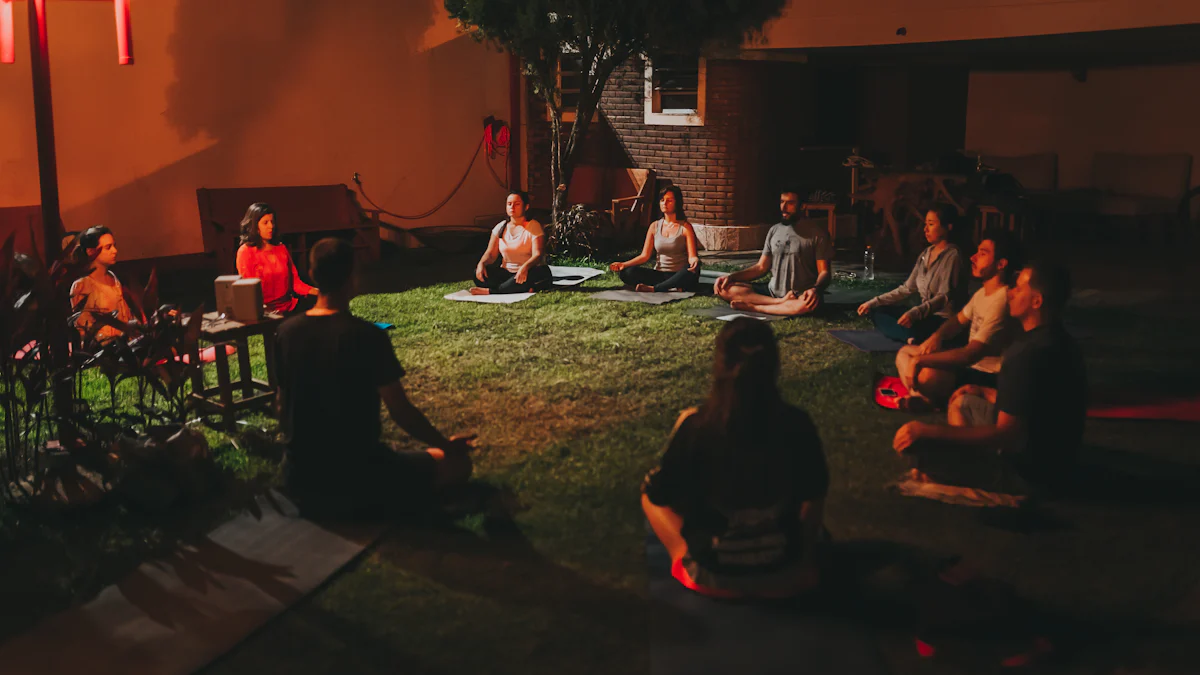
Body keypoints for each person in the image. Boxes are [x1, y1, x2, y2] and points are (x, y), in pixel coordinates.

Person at [275, 237, 475, 518]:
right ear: (353, 277)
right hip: (358, 476)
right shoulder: (367, 336)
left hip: (299, 476)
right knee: (457, 464)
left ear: (312, 275)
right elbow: (401, 411)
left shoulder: (286, 333)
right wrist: (446, 445)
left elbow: (282, 406)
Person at [642, 318, 829, 598]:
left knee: (647, 495)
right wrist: (802, 560)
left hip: (713, 575)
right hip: (784, 571)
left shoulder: (697, 426)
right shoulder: (796, 423)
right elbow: (815, 493)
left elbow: (660, 493)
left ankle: (687, 558)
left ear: (720, 365)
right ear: (774, 366)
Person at [893, 260, 1087, 493]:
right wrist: (987, 392)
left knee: (920, 449)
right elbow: (1042, 406)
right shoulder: (1061, 341)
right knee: (964, 402)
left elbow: (1007, 435)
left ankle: (975, 472)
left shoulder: (1025, 354)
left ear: (1037, 301)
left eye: (1018, 289)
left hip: (1031, 471)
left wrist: (927, 431)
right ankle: (964, 463)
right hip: (1062, 457)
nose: (1011, 294)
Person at [894, 230, 1021, 409]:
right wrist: (937, 336)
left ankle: (928, 399)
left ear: (1001, 264)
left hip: (986, 375)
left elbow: (970, 354)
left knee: (925, 373)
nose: (973, 258)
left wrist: (921, 360)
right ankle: (921, 399)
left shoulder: (1002, 300)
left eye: (982, 254)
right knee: (905, 353)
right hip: (969, 368)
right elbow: (957, 321)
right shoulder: (981, 294)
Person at [713, 189, 832, 316]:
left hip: (800, 295)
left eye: (790, 203)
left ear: (802, 206)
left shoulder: (818, 234)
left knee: (806, 304)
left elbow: (824, 272)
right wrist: (731, 277)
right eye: (782, 202)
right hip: (772, 292)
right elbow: (761, 267)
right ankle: (780, 303)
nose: (783, 207)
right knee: (725, 289)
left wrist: (815, 290)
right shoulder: (774, 230)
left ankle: (756, 308)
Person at [858, 205, 967, 344]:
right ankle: (910, 336)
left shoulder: (953, 256)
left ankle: (910, 335)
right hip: (922, 315)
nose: (925, 229)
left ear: (948, 227)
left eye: (931, 224)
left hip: (942, 319)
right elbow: (906, 288)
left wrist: (915, 313)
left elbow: (944, 297)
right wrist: (874, 301)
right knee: (877, 310)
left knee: (913, 323)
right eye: (925, 224)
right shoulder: (925, 254)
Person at [609, 186, 701, 292]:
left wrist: (695, 261)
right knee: (627, 272)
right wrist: (624, 264)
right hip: (660, 275)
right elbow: (644, 256)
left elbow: (692, 256)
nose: (665, 203)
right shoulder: (654, 226)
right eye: (662, 200)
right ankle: (671, 286)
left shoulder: (685, 227)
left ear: (677, 203)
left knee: (692, 271)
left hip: (679, 274)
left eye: (669, 200)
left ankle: (655, 289)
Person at [235, 202, 318, 314]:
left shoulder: (281, 248)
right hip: (264, 313)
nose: (271, 226)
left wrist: (320, 292)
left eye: (272, 222)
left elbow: (296, 283)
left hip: (288, 307)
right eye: (265, 223)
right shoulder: (245, 252)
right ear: (255, 226)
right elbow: (250, 292)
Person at [472, 191, 553, 295]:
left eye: (517, 204)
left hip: (527, 271)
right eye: (509, 204)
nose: (512, 207)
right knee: (478, 273)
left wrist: (525, 267)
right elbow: (491, 254)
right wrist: (481, 264)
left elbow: (537, 254)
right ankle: (513, 288)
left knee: (534, 276)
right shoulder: (500, 227)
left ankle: (494, 291)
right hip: (507, 273)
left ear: (526, 207)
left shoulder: (533, 226)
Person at [70, 226, 136, 341]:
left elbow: (126, 317)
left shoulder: (115, 279)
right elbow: (84, 330)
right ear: (91, 251)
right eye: (108, 247)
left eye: (114, 245)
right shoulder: (83, 285)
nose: (114, 251)